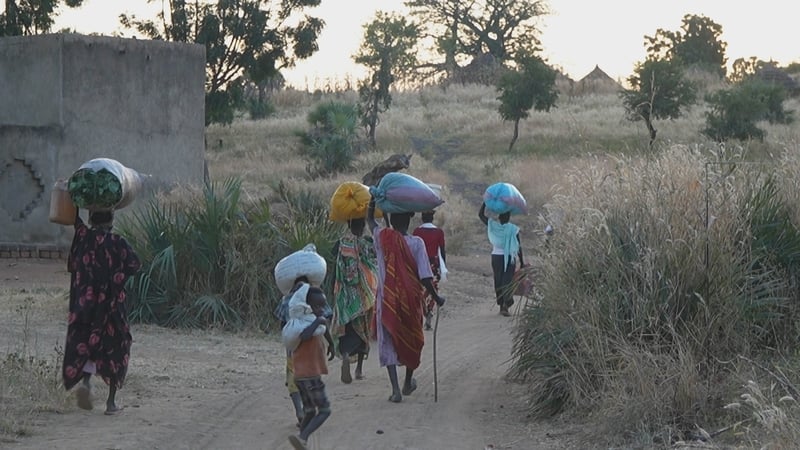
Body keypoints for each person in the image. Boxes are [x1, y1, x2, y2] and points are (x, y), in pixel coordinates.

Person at [62, 209, 141, 415]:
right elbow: (134, 264)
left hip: (86, 304)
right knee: (117, 345)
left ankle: (86, 383)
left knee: (88, 341)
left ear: (90, 219)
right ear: (112, 220)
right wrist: (115, 280)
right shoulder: (118, 242)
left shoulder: (83, 236)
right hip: (111, 306)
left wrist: (73, 199)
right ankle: (111, 403)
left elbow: (73, 217)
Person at [367, 199, 445, 403]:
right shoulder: (416, 243)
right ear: (411, 218)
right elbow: (425, 277)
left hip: (387, 299)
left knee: (387, 340)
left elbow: (370, 222)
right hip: (411, 300)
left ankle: (395, 390)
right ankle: (408, 381)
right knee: (414, 338)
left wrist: (373, 203)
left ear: (390, 218)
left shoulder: (383, 237)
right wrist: (436, 298)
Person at [287, 286, 335, 450]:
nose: (320, 309)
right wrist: (317, 321)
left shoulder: (309, 321)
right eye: (317, 306)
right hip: (310, 375)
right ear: (307, 306)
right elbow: (305, 336)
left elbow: (319, 331)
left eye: (322, 306)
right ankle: (303, 437)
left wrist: (332, 344)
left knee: (309, 410)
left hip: (300, 376)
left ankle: (300, 436)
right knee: (324, 410)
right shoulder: (305, 323)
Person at [331, 218, 378, 384]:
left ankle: (345, 355)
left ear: (348, 225)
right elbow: (375, 261)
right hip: (364, 295)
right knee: (363, 330)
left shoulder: (341, 243)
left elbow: (334, 262)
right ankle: (358, 370)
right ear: (363, 225)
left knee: (348, 328)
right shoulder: (367, 243)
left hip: (345, 295)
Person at [274, 276, 312, 427]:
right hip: (310, 350)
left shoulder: (286, 300)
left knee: (292, 380)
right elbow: (324, 318)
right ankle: (306, 409)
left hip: (293, 349)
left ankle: (299, 412)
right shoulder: (314, 297)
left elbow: (282, 324)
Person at [479, 202, 524, 317]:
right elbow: (518, 246)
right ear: (509, 218)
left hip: (496, 257)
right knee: (507, 281)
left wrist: (485, 203)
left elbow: (481, 215)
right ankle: (506, 304)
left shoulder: (493, 226)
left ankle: (502, 305)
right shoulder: (513, 229)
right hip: (510, 258)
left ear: (499, 217)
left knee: (498, 281)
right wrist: (522, 262)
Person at [412, 210, 447, 330]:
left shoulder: (417, 231)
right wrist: (443, 267)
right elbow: (442, 251)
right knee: (433, 288)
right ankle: (429, 312)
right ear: (432, 218)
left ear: (422, 218)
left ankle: (423, 312)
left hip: (419, 263)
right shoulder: (439, 232)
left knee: (420, 289)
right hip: (433, 264)